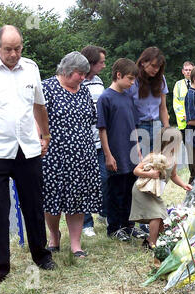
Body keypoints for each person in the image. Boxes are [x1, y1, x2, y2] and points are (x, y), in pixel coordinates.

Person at [0, 25, 56, 287]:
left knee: (34, 205)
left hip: (27, 149)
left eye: (18, 48)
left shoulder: (31, 68)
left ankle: (41, 255)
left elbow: (39, 105)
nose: (13, 54)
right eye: (8, 49)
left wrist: (45, 135)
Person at [42, 51, 102, 258]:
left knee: (77, 200)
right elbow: (35, 119)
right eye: (80, 74)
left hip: (83, 154)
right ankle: (54, 236)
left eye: (85, 74)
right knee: (52, 201)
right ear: (67, 71)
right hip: (54, 155)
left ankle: (76, 244)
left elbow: (91, 119)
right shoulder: (46, 88)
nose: (83, 78)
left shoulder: (84, 91)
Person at [97, 58, 142, 242]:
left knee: (131, 191)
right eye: (130, 79)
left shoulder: (128, 97)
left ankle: (128, 225)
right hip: (116, 154)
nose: (132, 83)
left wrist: (138, 151)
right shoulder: (105, 98)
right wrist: (108, 155)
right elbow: (102, 129)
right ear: (118, 75)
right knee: (116, 192)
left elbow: (134, 127)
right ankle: (114, 227)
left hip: (131, 153)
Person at [129, 127, 192, 249]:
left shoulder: (173, 160)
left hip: (154, 192)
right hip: (143, 191)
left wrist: (183, 184)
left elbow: (173, 175)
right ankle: (151, 244)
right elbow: (136, 170)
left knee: (162, 218)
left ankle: (162, 240)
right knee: (156, 215)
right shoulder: (154, 156)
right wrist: (149, 174)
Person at [80, 45, 108, 237]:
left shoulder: (98, 81)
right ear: (90, 63)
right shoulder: (78, 82)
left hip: (101, 139)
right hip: (84, 141)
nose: (104, 66)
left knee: (105, 178)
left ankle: (104, 213)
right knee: (85, 182)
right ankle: (86, 222)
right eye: (101, 62)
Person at [128, 46, 170, 156]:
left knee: (158, 162)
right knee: (142, 164)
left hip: (156, 125)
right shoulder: (133, 80)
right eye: (153, 66)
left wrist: (167, 129)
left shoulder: (161, 79)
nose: (156, 70)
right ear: (143, 62)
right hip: (139, 126)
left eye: (159, 67)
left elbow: (163, 107)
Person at [172, 61, 195, 141]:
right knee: (191, 150)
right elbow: (176, 104)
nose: (188, 72)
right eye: (186, 70)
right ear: (183, 71)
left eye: (190, 70)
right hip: (184, 124)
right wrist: (184, 115)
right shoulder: (178, 85)